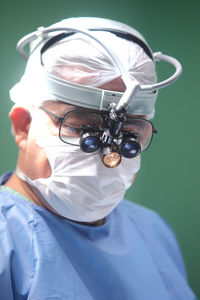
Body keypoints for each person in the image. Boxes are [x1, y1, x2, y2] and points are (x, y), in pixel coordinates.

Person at [0, 17, 197, 300]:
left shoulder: (151, 231)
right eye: (82, 127)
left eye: (130, 131)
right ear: (24, 125)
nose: (110, 154)